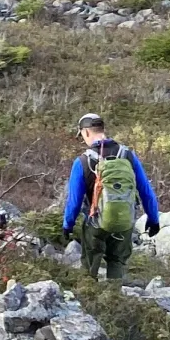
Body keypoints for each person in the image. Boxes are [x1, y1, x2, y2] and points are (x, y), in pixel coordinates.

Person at [62, 113, 160, 280]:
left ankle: (88, 297)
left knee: (90, 266)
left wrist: (68, 225)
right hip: (124, 221)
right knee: (117, 262)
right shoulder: (128, 155)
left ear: (86, 132)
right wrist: (154, 219)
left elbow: (74, 201)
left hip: (95, 224)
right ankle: (114, 297)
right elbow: (146, 190)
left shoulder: (83, 161)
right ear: (102, 129)